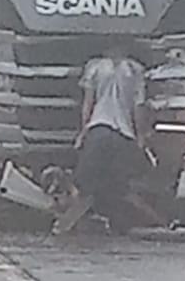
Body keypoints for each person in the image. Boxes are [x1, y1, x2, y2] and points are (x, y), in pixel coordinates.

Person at [59, 48, 159, 234]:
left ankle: (68, 218)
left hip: (98, 130)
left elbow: (88, 104)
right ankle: (151, 221)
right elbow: (138, 108)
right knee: (119, 186)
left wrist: (83, 132)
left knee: (85, 184)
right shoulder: (135, 70)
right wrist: (140, 137)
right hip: (123, 135)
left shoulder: (94, 67)